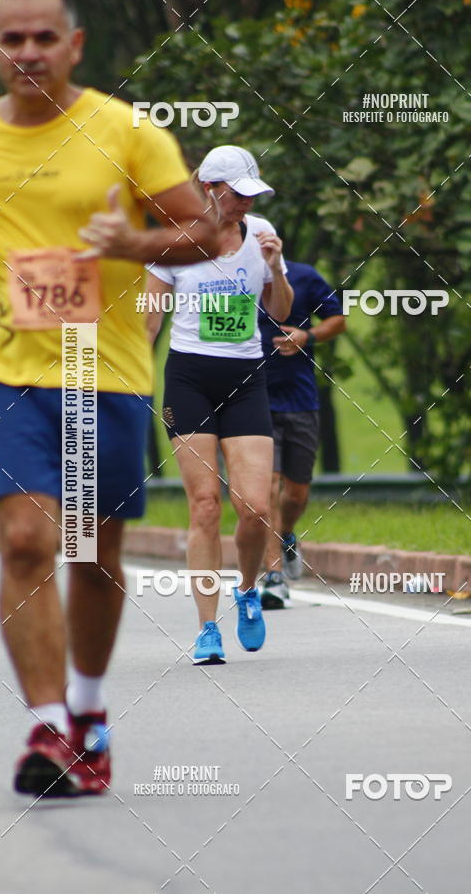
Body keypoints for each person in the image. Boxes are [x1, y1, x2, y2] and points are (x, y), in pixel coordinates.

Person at [0, 0, 219, 797]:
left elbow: (209, 233)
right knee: (23, 541)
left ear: (74, 45)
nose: (28, 51)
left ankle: (88, 714)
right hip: (6, 375)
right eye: (11, 39)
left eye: (43, 37)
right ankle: (49, 728)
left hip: (102, 371)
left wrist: (135, 242)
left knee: (93, 555)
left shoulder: (124, 131)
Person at [146, 145, 293, 664]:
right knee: (205, 504)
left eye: (253, 195)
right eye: (237, 194)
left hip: (246, 377)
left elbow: (278, 312)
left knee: (253, 507)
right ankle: (207, 628)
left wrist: (276, 266)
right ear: (210, 190)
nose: (246, 204)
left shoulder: (261, 233)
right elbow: (150, 319)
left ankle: (248, 589)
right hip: (188, 378)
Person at [258, 261, 345, 608]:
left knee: (295, 493)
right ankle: (274, 576)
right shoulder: (232, 279)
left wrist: (307, 336)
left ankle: (287, 536)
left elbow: (338, 321)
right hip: (253, 401)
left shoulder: (304, 276)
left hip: (300, 399)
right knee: (267, 487)